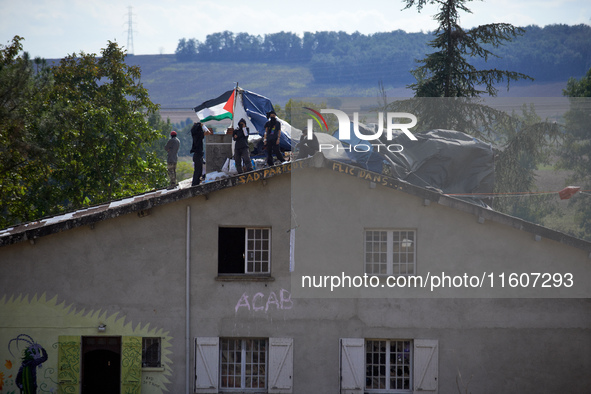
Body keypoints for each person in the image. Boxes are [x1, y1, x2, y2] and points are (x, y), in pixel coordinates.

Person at [190, 122, 208, 186]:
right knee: (198, 171)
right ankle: (195, 184)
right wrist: (203, 126)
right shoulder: (199, 135)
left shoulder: (195, 134)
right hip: (198, 154)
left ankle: (195, 183)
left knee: (198, 170)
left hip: (196, 155)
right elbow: (207, 132)